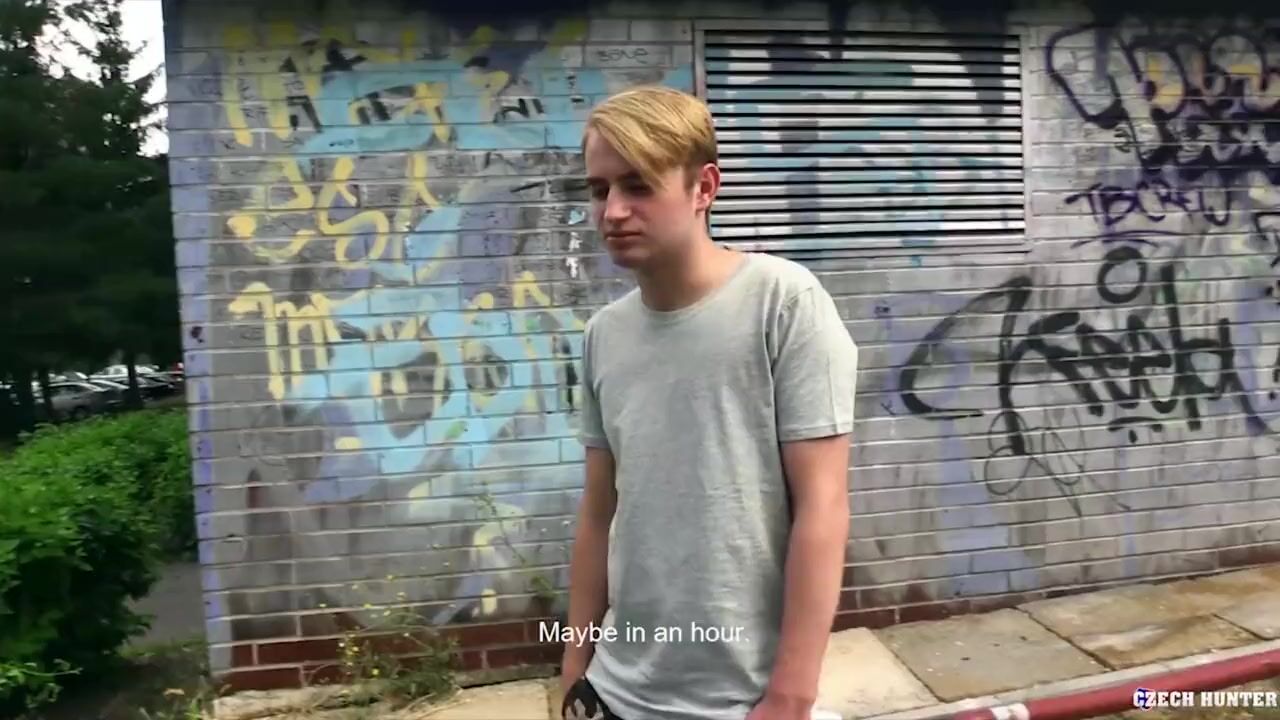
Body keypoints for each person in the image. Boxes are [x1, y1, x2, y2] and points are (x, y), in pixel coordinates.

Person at [559, 85, 859, 720]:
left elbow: (824, 505)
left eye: (638, 186)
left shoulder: (783, 302)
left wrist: (791, 695)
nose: (613, 211)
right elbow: (598, 515)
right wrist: (574, 668)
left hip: (742, 700)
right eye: (599, 189)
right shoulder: (603, 335)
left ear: (704, 188)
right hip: (615, 692)